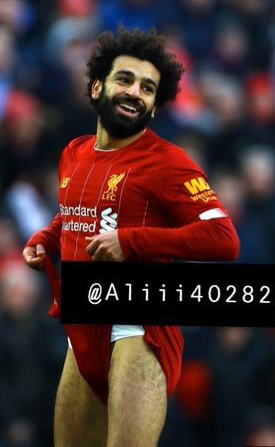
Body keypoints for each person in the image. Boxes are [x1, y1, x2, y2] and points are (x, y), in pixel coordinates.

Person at [22, 27, 240, 447]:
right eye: (125, 80)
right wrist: (47, 238)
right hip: (82, 328)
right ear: (97, 86)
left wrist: (131, 242)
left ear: (155, 107)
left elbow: (223, 238)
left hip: (137, 327)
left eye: (148, 88)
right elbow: (76, 211)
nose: (135, 93)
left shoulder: (169, 163)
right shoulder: (74, 152)